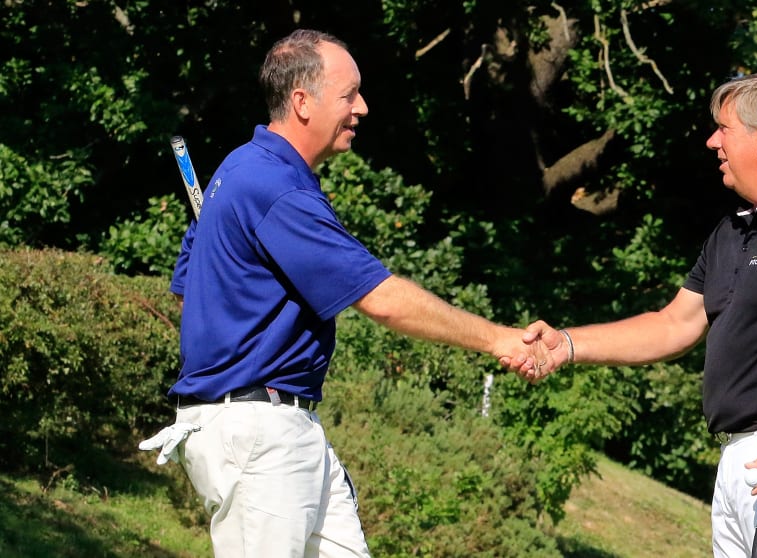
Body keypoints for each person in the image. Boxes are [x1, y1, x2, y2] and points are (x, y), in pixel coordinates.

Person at [140, 29, 544, 558]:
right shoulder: (274, 187)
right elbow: (380, 298)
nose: (363, 108)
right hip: (260, 435)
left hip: (282, 425)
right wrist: (501, 340)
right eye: (349, 94)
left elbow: (187, 296)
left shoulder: (241, 171)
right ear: (302, 102)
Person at [517, 73, 757, 557]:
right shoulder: (731, 230)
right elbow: (674, 324)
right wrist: (567, 344)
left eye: (724, 128)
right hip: (741, 456)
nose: (712, 141)